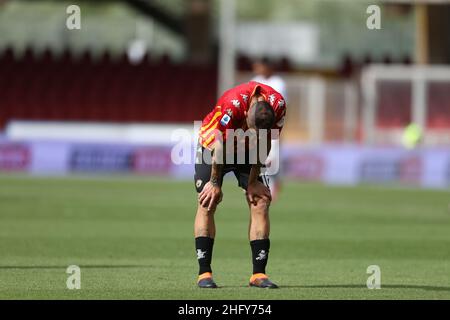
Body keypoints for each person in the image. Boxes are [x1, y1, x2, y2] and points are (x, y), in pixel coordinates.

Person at [194, 81, 287, 289]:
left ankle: (258, 275)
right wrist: (215, 183)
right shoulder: (232, 104)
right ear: (246, 115)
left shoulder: (279, 106)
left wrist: (253, 182)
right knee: (208, 200)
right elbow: (220, 144)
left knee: (260, 201)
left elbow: (265, 142)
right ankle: (204, 273)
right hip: (215, 143)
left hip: (248, 149)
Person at [251, 58, 287, 201]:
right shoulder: (255, 81)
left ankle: (275, 185)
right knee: (259, 157)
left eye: (260, 66)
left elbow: (282, 106)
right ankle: (259, 185)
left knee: (272, 159)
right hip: (258, 126)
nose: (258, 68)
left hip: (272, 125)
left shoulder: (278, 83)